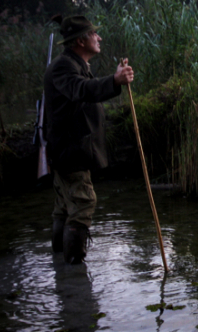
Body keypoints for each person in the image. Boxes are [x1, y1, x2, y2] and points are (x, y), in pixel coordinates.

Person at [43, 15, 134, 264]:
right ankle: (74, 271)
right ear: (81, 40)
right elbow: (82, 90)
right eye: (95, 34)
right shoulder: (64, 66)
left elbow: (84, 91)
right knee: (83, 204)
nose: (99, 37)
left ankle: (60, 266)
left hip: (68, 149)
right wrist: (114, 81)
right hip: (70, 151)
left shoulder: (74, 63)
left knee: (65, 205)